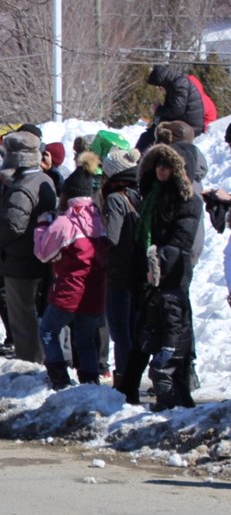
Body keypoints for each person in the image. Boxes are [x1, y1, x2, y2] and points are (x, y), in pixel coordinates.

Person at [125, 143, 201, 409]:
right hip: (147, 273)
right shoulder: (151, 194)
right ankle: (129, 391)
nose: (161, 170)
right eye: (157, 164)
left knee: (172, 334)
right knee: (146, 333)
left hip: (170, 273)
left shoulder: (188, 201)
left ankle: (177, 398)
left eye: (167, 166)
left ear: (179, 171)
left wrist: (156, 263)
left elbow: (182, 240)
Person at [0, 128, 57, 364]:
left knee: (23, 319)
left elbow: (12, 228)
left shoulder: (22, 188)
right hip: (38, 258)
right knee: (35, 315)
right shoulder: (44, 179)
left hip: (19, 261)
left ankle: (29, 365)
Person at [34, 165, 109, 388]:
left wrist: (41, 226)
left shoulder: (66, 222)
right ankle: (90, 382)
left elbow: (43, 253)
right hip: (95, 290)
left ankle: (60, 379)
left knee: (48, 330)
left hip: (69, 290)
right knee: (85, 338)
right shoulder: (100, 219)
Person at [101, 146, 143, 394]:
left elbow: (112, 238)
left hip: (119, 273)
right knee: (132, 328)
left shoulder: (116, 199)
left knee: (120, 330)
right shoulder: (141, 193)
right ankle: (133, 380)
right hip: (138, 271)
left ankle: (125, 383)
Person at [135, 65, 205, 152]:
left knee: (149, 138)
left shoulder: (179, 84)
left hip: (188, 128)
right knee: (147, 136)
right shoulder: (175, 84)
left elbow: (176, 110)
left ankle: (141, 161)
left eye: (159, 86)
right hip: (183, 124)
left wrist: (158, 109)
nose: (159, 89)